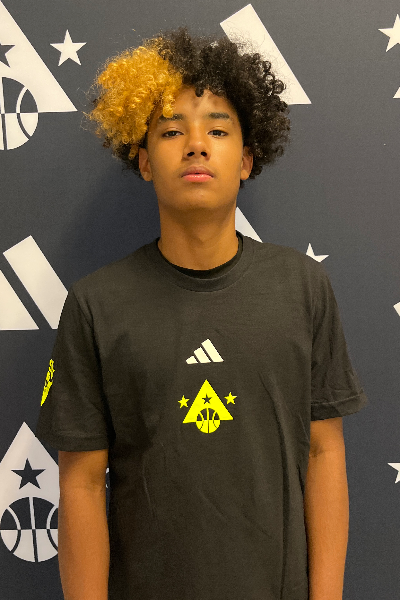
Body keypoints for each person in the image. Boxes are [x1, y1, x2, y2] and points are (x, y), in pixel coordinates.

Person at [35, 25, 368, 600]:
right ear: (144, 162)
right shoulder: (97, 304)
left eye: (217, 129)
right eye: (171, 131)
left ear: (246, 159)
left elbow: (324, 451)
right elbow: (82, 484)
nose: (195, 144)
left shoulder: (303, 287)